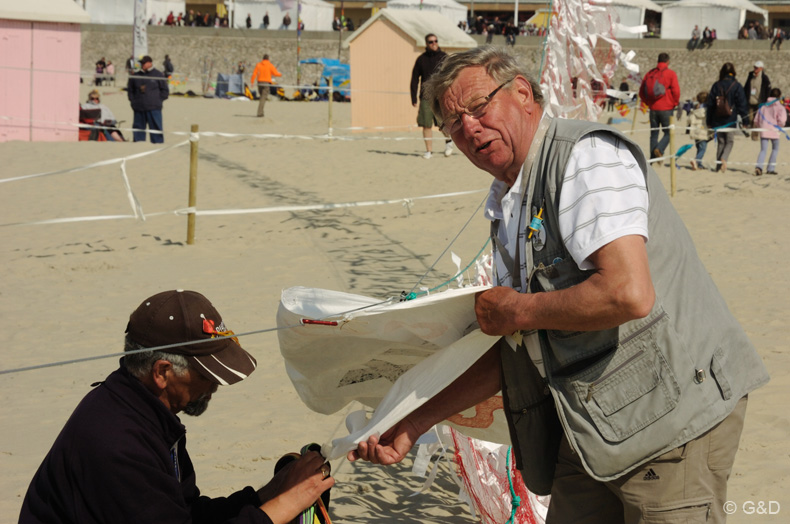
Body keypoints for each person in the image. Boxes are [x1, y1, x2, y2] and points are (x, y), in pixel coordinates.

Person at [349, 47, 769, 524]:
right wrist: (414, 421)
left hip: (672, 425)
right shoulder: (509, 199)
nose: (468, 129)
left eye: (478, 108)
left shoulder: (584, 158)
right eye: (452, 123)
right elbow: (519, 346)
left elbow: (627, 292)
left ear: (523, 92)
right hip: (590, 430)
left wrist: (516, 311)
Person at [19, 290, 333, 524]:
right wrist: (281, 508)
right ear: (162, 372)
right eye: (207, 375)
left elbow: (186, 513)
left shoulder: (145, 412)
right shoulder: (116, 442)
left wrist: (270, 494)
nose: (215, 386)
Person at [410, 34, 452, 159]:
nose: (434, 43)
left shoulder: (444, 57)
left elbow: (451, 75)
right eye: (431, 42)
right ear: (426, 44)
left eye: (435, 41)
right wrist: (413, 97)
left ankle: (449, 142)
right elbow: (414, 79)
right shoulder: (421, 59)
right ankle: (429, 151)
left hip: (440, 96)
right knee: (426, 124)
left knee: (442, 124)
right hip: (425, 97)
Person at [705, 62, 748, 173]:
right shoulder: (736, 85)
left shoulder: (716, 85)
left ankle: (718, 166)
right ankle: (724, 158)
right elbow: (742, 104)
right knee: (729, 141)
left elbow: (710, 105)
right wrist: (745, 120)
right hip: (730, 118)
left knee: (720, 142)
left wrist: (708, 121)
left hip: (717, 118)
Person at [639, 52, 680, 165]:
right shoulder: (670, 74)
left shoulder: (650, 73)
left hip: (653, 108)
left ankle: (653, 159)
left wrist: (648, 103)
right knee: (669, 132)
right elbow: (676, 91)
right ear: (668, 61)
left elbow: (641, 91)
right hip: (667, 107)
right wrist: (675, 103)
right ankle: (660, 149)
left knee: (654, 134)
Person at [127, 55, 169, 143]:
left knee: (156, 129)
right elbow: (130, 90)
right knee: (138, 129)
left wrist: (157, 100)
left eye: (144, 63)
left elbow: (165, 91)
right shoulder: (136, 75)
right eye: (141, 63)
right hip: (139, 107)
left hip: (154, 108)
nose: (142, 65)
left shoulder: (158, 74)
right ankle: (138, 144)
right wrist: (133, 101)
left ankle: (157, 145)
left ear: (150, 63)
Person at [753, 87, 786, 176]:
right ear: (779, 96)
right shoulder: (779, 107)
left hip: (764, 130)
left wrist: (761, 126)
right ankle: (770, 168)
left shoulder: (763, 106)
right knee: (775, 149)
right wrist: (779, 126)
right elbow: (782, 120)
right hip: (774, 131)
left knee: (763, 150)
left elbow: (756, 119)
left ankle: (759, 167)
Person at [250, 54, 282, 118]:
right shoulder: (270, 65)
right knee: (263, 98)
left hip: (259, 83)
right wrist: (280, 74)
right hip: (266, 83)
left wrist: (252, 82)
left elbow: (254, 74)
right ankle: (260, 113)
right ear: (268, 59)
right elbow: (275, 73)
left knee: (262, 97)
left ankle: (261, 112)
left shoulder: (258, 65)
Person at [743, 61, 771, 126]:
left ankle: (754, 135)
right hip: (750, 102)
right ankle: (752, 132)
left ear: (761, 68)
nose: (755, 69)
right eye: (755, 67)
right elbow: (746, 87)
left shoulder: (764, 78)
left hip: (759, 103)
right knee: (750, 119)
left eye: (757, 68)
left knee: (756, 121)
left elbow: (768, 90)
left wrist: (765, 101)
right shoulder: (750, 76)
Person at [686, 91, 709, 170]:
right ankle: (696, 160)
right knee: (703, 149)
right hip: (703, 131)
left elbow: (689, 119)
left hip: (695, 131)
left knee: (699, 148)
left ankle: (699, 164)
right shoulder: (707, 110)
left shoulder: (695, 109)